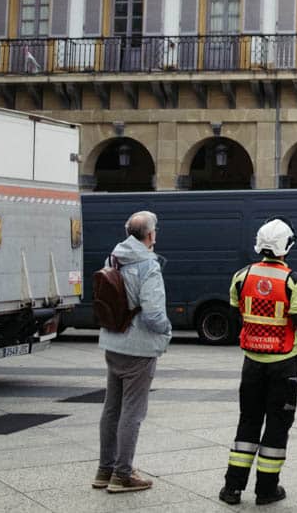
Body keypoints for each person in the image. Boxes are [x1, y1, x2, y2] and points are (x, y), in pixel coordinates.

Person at [218, 218, 297, 506]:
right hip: (283, 362)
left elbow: (237, 312)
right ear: (287, 247)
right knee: (277, 424)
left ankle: (232, 488)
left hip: (252, 362)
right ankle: (266, 489)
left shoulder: (241, 276)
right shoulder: (292, 280)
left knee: (247, 421)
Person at [95, 210, 172, 493]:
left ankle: (105, 470)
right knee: (133, 412)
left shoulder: (113, 257)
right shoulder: (148, 265)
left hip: (113, 340)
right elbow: (153, 315)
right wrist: (166, 329)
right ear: (150, 235)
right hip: (138, 346)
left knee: (112, 407)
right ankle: (123, 474)